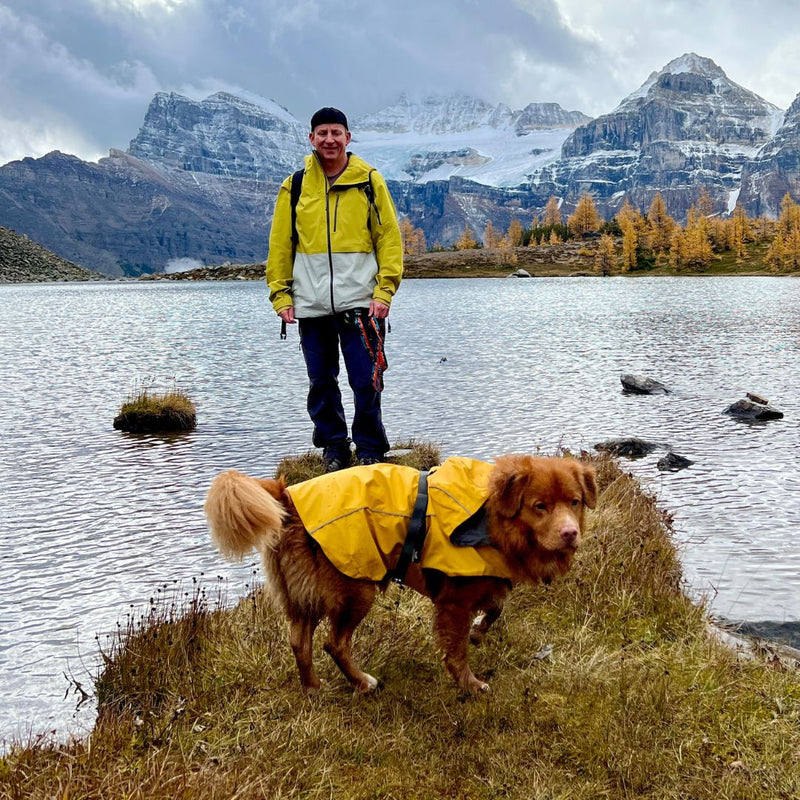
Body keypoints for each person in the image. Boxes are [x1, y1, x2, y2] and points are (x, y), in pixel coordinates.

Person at [266, 107, 403, 472]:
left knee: (366, 379)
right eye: (322, 133)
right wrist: (280, 296)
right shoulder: (294, 186)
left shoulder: (369, 181)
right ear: (311, 139)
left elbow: (389, 239)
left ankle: (371, 447)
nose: (329, 139)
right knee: (321, 383)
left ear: (348, 138)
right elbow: (281, 245)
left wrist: (384, 291)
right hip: (310, 304)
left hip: (362, 303)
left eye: (336, 133)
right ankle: (334, 447)